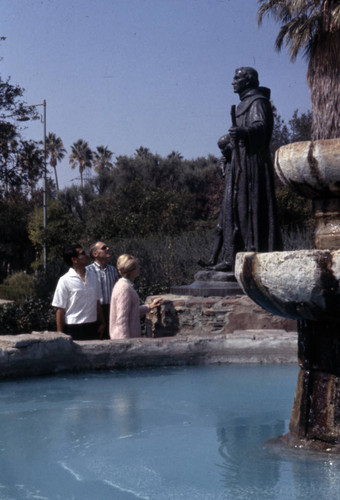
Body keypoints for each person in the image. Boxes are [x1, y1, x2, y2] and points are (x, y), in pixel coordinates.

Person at [201, 67, 281, 271]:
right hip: (240, 164)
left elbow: (261, 127)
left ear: (248, 81)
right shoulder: (244, 104)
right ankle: (231, 256)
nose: (233, 82)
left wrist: (243, 131)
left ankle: (246, 256)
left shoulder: (258, 102)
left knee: (247, 208)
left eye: (236, 78)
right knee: (233, 208)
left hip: (251, 165)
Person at [52, 244, 105, 340]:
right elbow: (60, 309)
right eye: (83, 254)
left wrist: (102, 323)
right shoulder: (64, 280)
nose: (87, 255)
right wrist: (60, 336)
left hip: (92, 327)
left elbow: (97, 302)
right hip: (73, 329)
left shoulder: (93, 276)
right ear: (74, 259)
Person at [109, 254, 162, 339]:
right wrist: (125, 345)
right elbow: (121, 320)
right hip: (125, 342)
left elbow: (130, 311)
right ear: (132, 270)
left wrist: (149, 307)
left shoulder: (124, 285)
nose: (139, 268)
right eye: (137, 266)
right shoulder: (124, 288)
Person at [87, 241, 119, 339]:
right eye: (104, 247)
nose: (108, 248)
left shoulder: (113, 270)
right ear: (95, 254)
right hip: (95, 311)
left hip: (111, 310)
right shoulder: (88, 271)